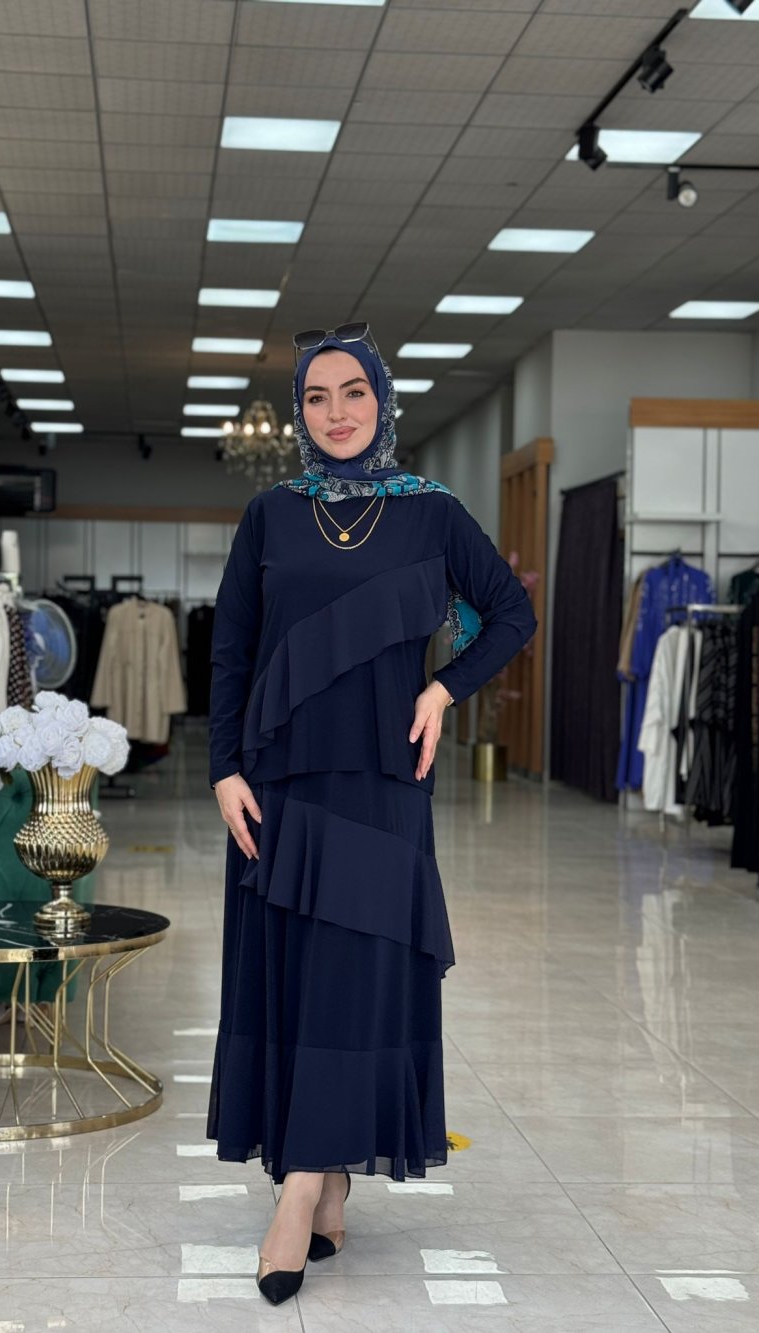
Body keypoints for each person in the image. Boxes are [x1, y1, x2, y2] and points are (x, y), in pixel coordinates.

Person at [206, 323, 537, 1306]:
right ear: (299, 411)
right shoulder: (270, 513)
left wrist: (442, 688)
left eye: (354, 392)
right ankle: (327, 1175)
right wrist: (223, 768)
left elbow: (511, 613)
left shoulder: (431, 512)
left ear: (383, 401)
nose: (337, 412)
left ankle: (298, 1191)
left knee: (354, 984)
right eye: (316, 396)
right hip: (278, 783)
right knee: (295, 984)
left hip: (383, 786)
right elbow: (230, 650)